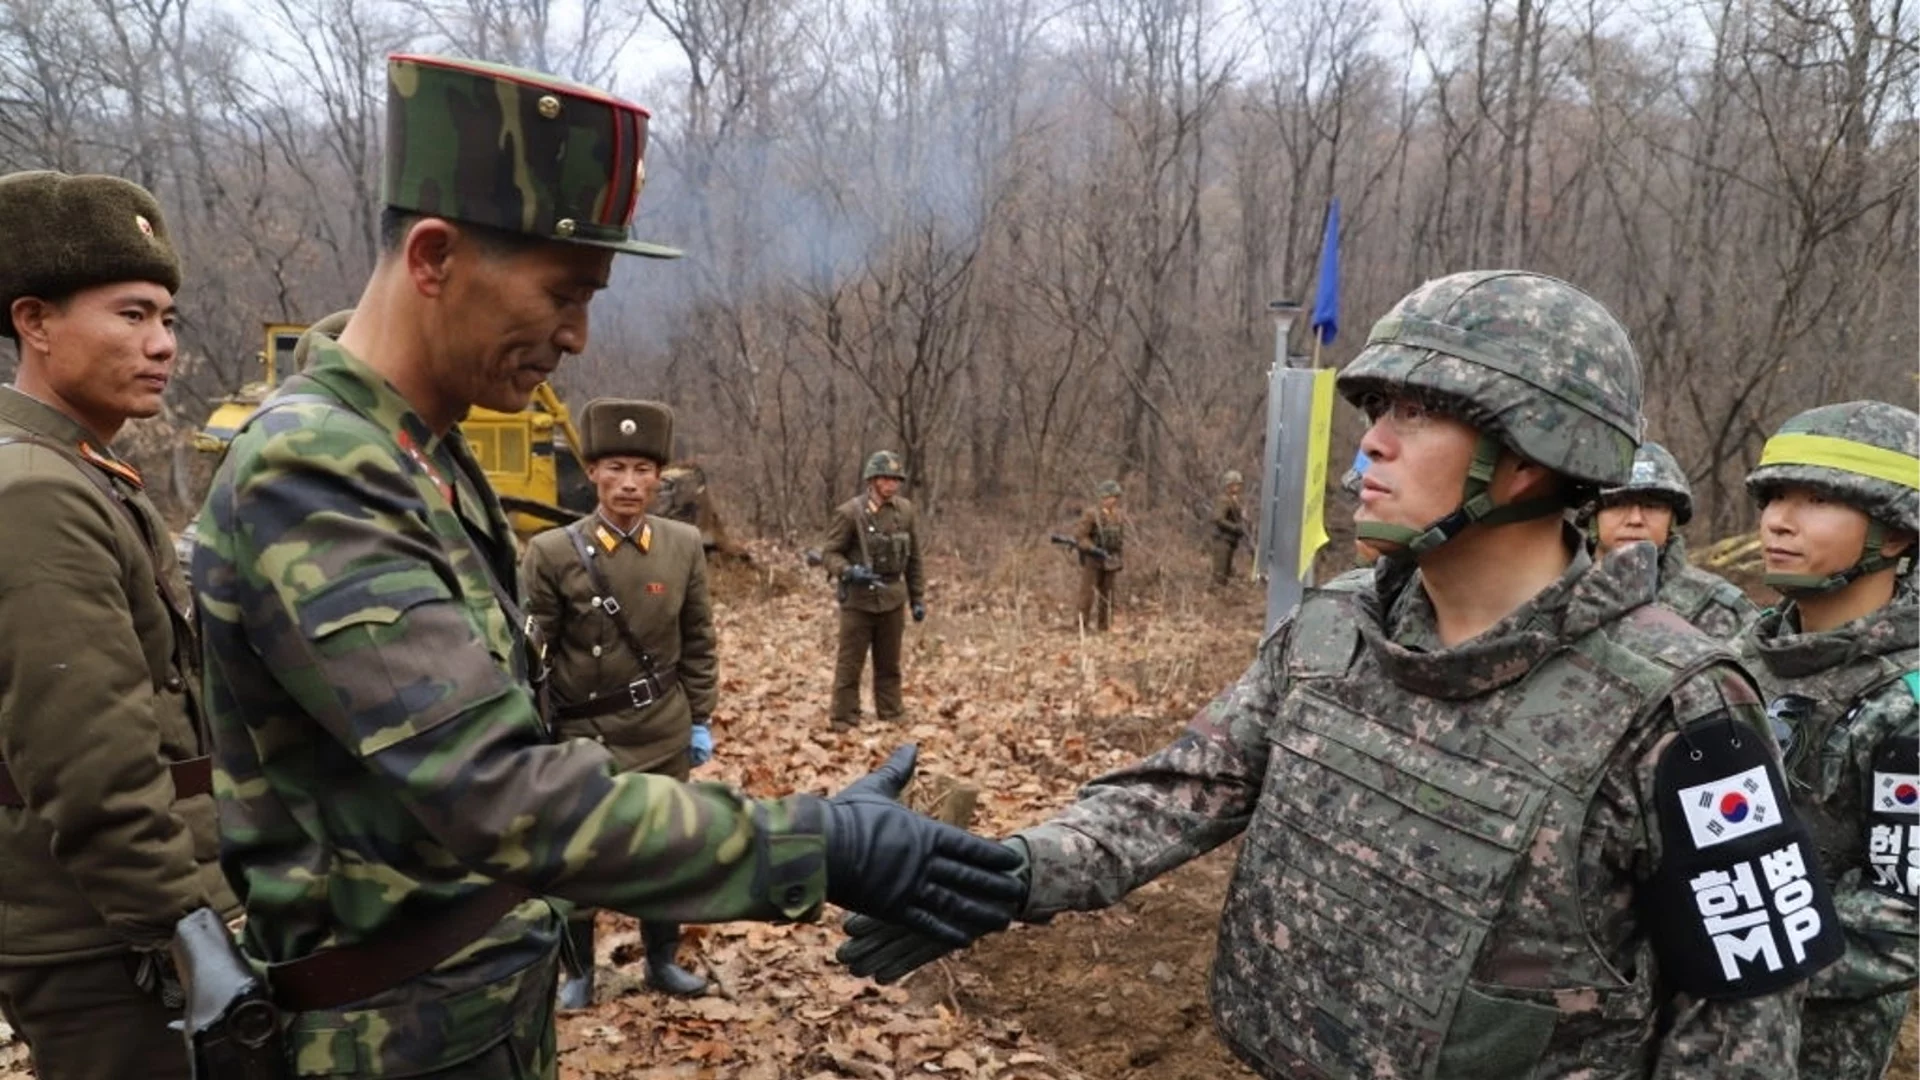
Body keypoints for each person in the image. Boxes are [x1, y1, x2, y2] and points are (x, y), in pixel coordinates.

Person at [191, 54, 1022, 1078]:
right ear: (435, 257)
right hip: (381, 1040)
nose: (580, 335)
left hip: (468, 1015)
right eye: (564, 292)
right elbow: (499, 791)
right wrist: (819, 846)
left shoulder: (422, 450)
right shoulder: (314, 473)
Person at [841, 270, 1840, 1078]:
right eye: (1376, 407)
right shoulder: (1332, 631)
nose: (1371, 441)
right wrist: (1003, 874)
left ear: (1532, 455)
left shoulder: (1683, 711)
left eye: (1418, 412)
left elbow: (1742, 1016)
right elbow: (1177, 793)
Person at [0, 170, 236, 1080]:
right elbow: (92, 761)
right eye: (132, 315)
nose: (163, 344)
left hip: (120, 920)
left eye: (168, 320)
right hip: (102, 938)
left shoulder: (81, 472)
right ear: (36, 321)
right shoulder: (36, 493)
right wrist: (185, 932)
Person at [1733, 401, 1918, 1079]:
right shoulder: (1734, 661)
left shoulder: (1907, 699)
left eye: (1817, 500)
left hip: (1814, 1048)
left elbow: (1902, 919)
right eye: (1776, 495)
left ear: (1896, 536)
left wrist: (1735, 951)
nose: (1779, 519)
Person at [521, 399, 716, 1005]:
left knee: (665, 849)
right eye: (614, 468)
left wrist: (700, 718)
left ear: (659, 478)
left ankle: (662, 961)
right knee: (577, 855)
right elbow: (532, 651)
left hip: (660, 725)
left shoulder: (682, 545)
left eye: (641, 469)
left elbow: (699, 638)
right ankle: (578, 972)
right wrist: (533, 730)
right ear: (592, 473)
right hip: (584, 733)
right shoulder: (553, 552)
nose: (629, 484)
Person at [1587, 440, 1756, 636]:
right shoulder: (1554, 598)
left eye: (1652, 506)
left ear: (1672, 521)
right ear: (1592, 516)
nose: (1635, 519)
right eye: (1618, 505)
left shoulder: (1721, 610)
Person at [821, 450, 924, 729]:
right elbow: (829, 553)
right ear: (873, 480)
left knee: (889, 664)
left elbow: (914, 559)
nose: (892, 485)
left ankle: (891, 712)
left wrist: (918, 598)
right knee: (850, 664)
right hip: (859, 599)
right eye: (886, 479)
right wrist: (848, 571)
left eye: (896, 479)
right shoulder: (850, 513)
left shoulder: (905, 511)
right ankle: (843, 717)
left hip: (892, 596)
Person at [1075, 480, 1126, 630]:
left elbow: (1119, 539)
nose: (1113, 500)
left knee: (1108, 594)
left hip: (1110, 558)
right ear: (1103, 497)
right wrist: (1092, 548)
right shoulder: (1092, 514)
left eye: (1116, 497)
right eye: (1111, 497)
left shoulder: (1117, 515)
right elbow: (1080, 536)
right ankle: (1081, 625)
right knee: (1087, 594)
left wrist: (1119, 558)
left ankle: (1104, 625)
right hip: (1093, 559)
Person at [1209, 470, 1248, 587]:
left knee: (1225, 574)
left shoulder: (1233, 500)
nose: (1239, 487)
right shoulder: (1223, 500)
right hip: (1222, 540)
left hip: (1229, 540)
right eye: (1237, 484)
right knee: (1219, 575)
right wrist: (1235, 528)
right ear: (1230, 485)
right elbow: (1218, 519)